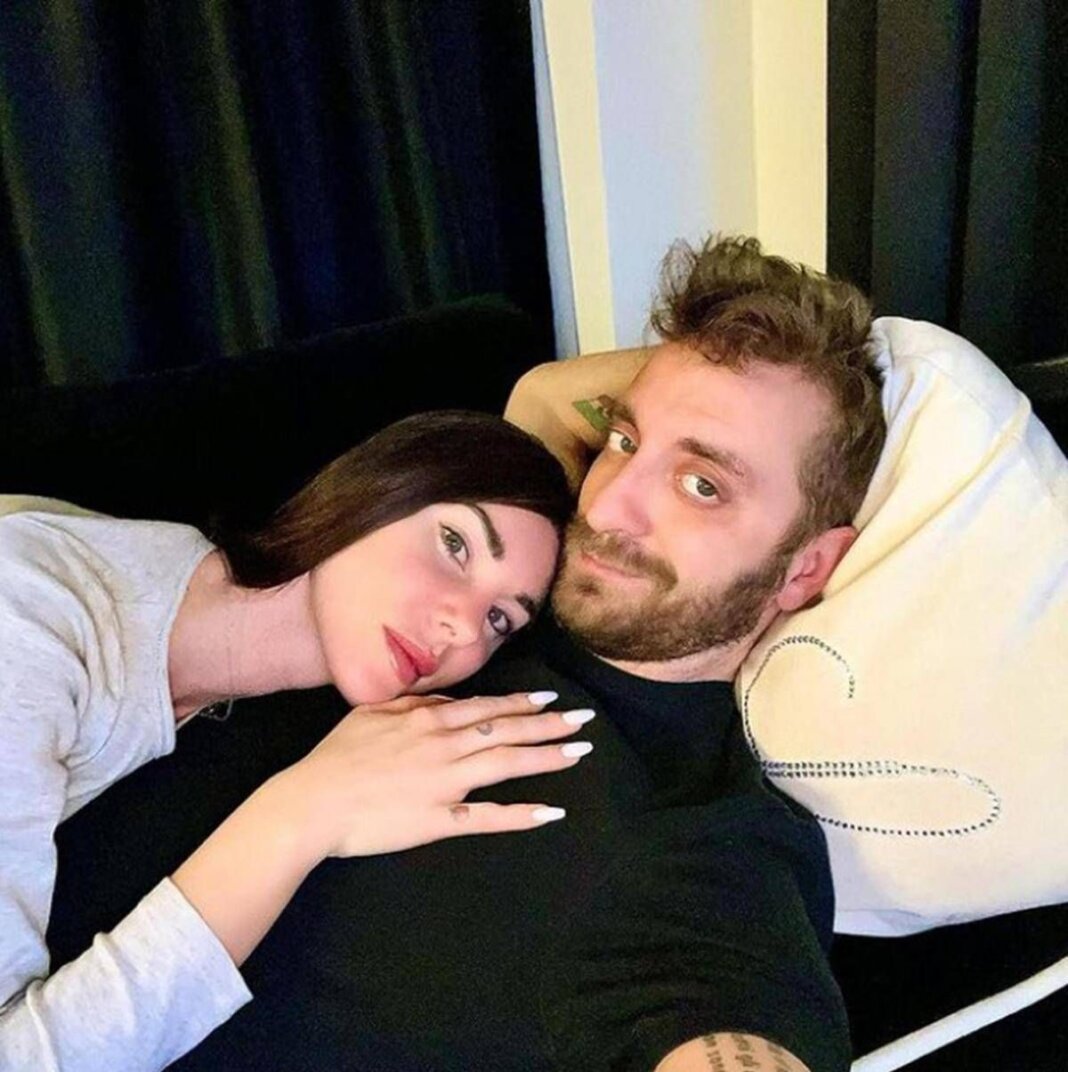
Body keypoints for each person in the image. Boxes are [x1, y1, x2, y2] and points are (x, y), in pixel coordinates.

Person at [43, 236, 888, 1072]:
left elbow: (734, 1015)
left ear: (806, 567)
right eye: (625, 442)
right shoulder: (496, 562)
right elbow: (543, 396)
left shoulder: (707, 848)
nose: (608, 507)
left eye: (703, 486)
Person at [0, 410, 596, 1071]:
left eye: (500, 619)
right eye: (455, 545)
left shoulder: (197, 656)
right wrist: (303, 813)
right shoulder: (27, 623)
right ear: (372, 490)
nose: (463, 628)